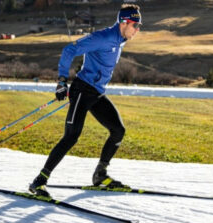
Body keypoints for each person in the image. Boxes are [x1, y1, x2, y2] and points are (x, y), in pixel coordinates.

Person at [29, 4, 142, 197]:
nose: (138, 29)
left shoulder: (120, 39)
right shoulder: (103, 37)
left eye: (139, 25)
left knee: (118, 130)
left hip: (96, 92)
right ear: (124, 23)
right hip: (82, 90)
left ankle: (100, 174)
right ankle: (39, 181)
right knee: (71, 136)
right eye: (135, 25)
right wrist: (62, 81)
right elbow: (69, 50)